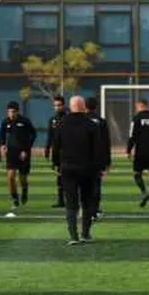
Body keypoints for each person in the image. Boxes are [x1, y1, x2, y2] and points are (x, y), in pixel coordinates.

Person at [52, 96, 105, 245]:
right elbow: (98, 149)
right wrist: (100, 167)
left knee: (71, 203)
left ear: (70, 107)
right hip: (88, 169)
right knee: (87, 201)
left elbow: (56, 147)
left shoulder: (61, 124)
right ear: (83, 107)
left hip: (68, 168)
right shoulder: (91, 125)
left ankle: (73, 236)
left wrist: (56, 164)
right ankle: (85, 234)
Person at [0, 101, 36, 209]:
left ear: (17, 112)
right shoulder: (5, 121)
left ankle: (24, 190)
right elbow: (2, 134)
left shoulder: (25, 121)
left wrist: (26, 149)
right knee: (10, 177)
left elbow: (33, 134)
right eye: (9, 112)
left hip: (23, 153)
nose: (11, 114)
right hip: (11, 153)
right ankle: (15, 198)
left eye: (13, 112)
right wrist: (3, 145)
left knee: (22, 178)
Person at [86, 97, 111, 220]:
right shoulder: (101, 121)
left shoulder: (81, 120)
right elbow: (106, 142)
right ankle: (94, 211)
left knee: (83, 185)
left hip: (82, 158)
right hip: (98, 158)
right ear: (96, 107)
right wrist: (107, 161)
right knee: (96, 185)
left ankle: (85, 210)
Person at [45, 96, 67, 208]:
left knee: (68, 175)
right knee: (59, 176)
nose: (57, 107)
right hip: (56, 152)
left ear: (63, 105)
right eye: (55, 105)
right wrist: (47, 149)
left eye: (59, 105)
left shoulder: (68, 118)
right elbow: (50, 136)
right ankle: (61, 200)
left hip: (67, 151)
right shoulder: (52, 120)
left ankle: (71, 199)